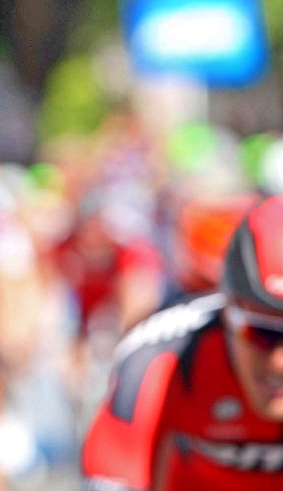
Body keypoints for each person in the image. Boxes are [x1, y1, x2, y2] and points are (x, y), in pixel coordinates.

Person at [82, 196, 283, 490]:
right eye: (261, 332)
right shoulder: (161, 356)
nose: (279, 362)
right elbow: (112, 473)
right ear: (226, 308)